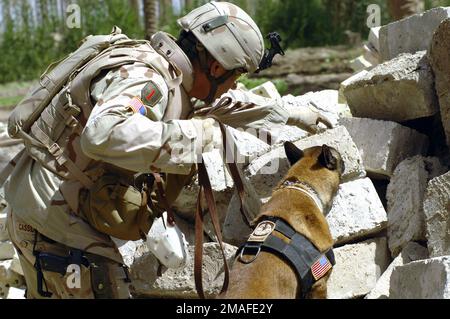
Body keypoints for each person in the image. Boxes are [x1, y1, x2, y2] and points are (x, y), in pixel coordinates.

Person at [4, 1, 330, 299]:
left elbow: (223, 103)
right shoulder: (148, 78)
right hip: (53, 224)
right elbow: (103, 132)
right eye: (235, 76)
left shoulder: (172, 76)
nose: (233, 85)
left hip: (51, 216)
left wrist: (292, 113)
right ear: (216, 69)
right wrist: (197, 135)